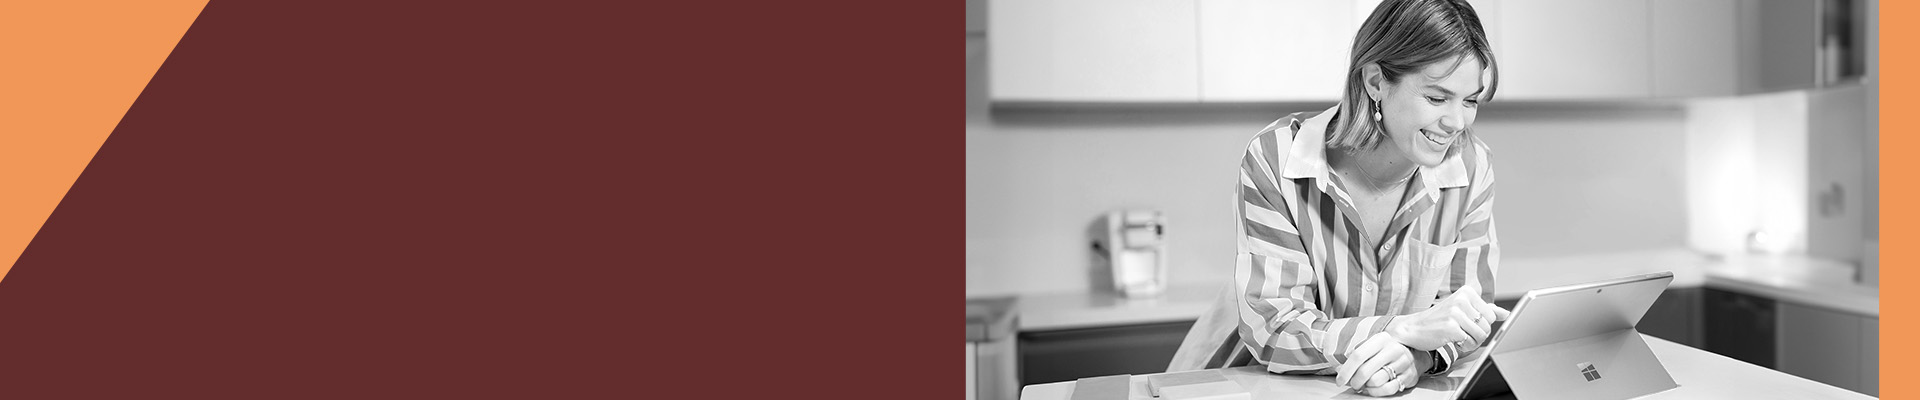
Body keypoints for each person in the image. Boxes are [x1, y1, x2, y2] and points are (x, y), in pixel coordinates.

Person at [1166, 0, 1507, 397]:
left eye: (1470, 101)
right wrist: (1403, 330)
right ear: (1376, 81)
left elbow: (1467, 316)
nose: (1457, 122)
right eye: (1436, 98)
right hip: (1253, 383)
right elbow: (1275, 329)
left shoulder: (1471, 165)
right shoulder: (1277, 159)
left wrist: (1418, 359)